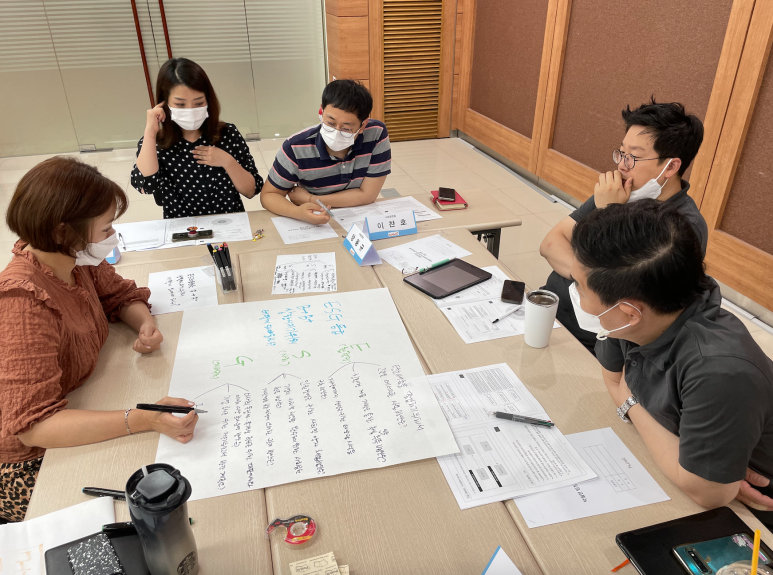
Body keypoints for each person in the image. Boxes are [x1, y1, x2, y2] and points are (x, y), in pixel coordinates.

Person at [0, 157, 199, 523]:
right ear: (64, 232)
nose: (112, 237)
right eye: (106, 228)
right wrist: (143, 420)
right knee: (149, 509)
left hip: (84, 395)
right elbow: (33, 427)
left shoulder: (75, 260)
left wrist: (143, 324)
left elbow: (120, 295)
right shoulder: (21, 302)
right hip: (28, 461)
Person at [570, 200, 773, 526]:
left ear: (630, 312)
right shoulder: (647, 305)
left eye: (579, 286)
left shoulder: (718, 371)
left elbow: (709, 494)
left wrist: (630, 401)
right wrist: (683, 452)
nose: (576, 294)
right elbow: (612, 381)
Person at [540, 99, 708, 354]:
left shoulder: (682, 228)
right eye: (621, 152)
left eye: (634, 157)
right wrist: (588, 279)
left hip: (594, 340)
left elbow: (624, 302)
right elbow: (551, 243)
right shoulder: (622, 190)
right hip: (549, 305)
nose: (621, 165)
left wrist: (610, 213)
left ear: (671, 166)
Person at [131, 58, 263, 219]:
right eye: (180, 104)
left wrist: (228, 161)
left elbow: (252, 190)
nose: (190, 110)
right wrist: (150, 133)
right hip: (182, 229)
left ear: (208, 100)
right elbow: (145, 186)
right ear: (164, 103)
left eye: (198, 103)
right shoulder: (156, 143)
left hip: (229, 224)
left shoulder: (227, 134)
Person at [260, 79, 391, 224]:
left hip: (358, 215)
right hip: (312, 218)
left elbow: (368, 195)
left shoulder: (376, 134)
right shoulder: (295, 147)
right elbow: (268, 195)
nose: (336, 132)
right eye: (330, 123)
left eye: (346, 128)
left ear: (363, 125)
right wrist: (297, 212)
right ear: (321, 111)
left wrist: (311, 199)